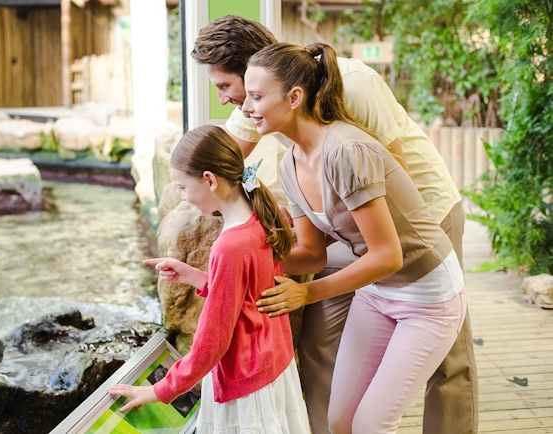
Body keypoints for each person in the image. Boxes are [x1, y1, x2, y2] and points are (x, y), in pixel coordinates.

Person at [191, 14, 478, 434]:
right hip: (353, 233)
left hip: (421, 216)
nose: (229, 102)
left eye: (226, 88)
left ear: (283, 89)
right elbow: (222, 161)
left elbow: (390, 170)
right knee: (326, 347)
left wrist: (306, 281)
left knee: (446, 364)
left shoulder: (353, 91)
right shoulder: (277, 135)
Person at [107, 125, 311, 433]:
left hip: (245, 386)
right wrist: (193, 276)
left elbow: (212, 342)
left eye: (184, 187)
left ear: (210, 181)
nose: (185, 198)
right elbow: (249, 296)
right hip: (273, 366)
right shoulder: (258, 219)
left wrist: (159, 390)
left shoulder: (229, 246)